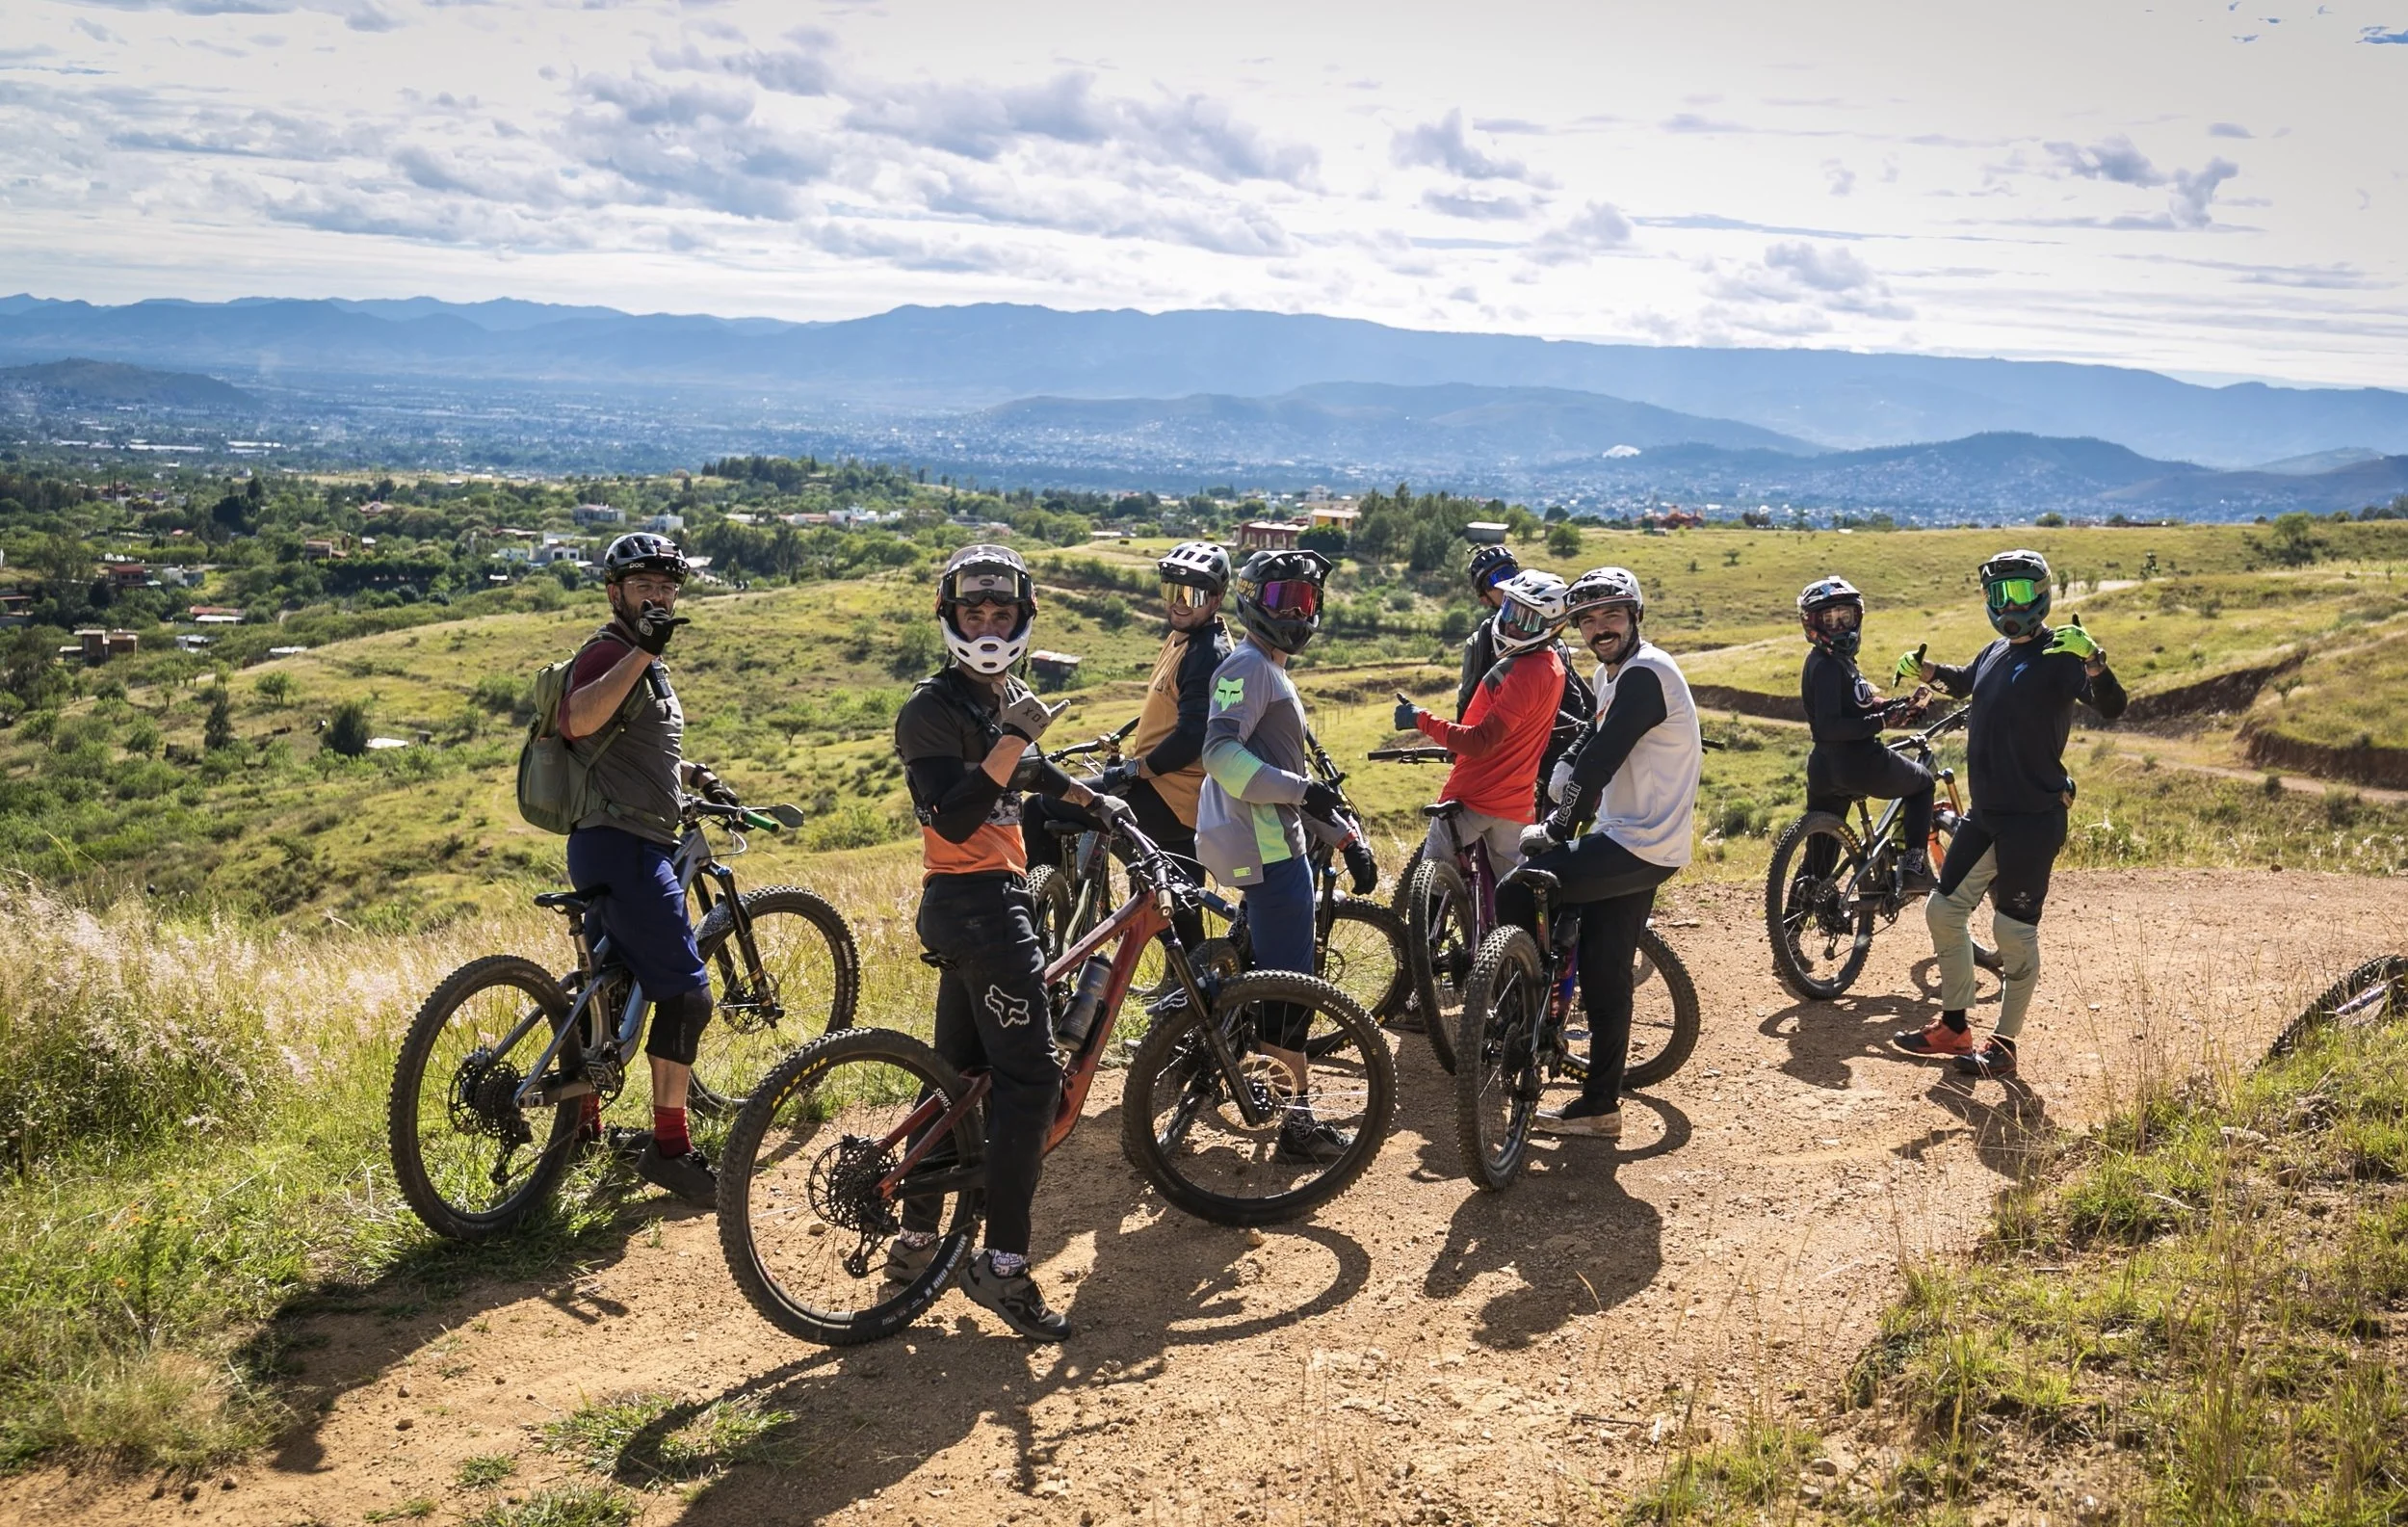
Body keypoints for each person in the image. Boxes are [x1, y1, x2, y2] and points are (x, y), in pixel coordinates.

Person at [889, 543, 1134, 1341]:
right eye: (974, 611)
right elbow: (955, 814)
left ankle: (917, 1241)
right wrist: (1012, 739)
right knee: (1031, 1086)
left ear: (1022, 620)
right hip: (977, 907)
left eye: (1001, 612)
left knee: (953, 1080)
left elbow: (1033, 774)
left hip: (982, 907)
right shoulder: (932, 708)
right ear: (950, 618)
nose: (987, 624)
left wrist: (1100, 804)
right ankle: (1002, 1267)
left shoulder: (1007, 702)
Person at [1892, 549, 2126, 1081]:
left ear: (2043, 595)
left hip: (2033, 819)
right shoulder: (1996, 650)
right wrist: (1926, 670)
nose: (2009, 604)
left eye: (2020, 592)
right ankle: (1954, 1028)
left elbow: (2112, 706)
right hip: (1986, 814)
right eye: (1999, 594)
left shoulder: (2062, 654)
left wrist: (2095, 664)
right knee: (1943, 911)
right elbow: (1967, 678)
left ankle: (2005, 1043)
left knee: (2011, 933)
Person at [555, 532, 727, 1205]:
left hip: (620, 838)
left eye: (667, 585)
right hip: (625, 845)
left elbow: (629, 741)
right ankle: (671, 1145)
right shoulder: (612, 651)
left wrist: (691, 773)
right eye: (643, 584)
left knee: (610, 982)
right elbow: (579, 719)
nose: (658, 594)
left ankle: (585, 1129)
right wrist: (645, 649)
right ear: (615, 592)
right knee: (687, 991)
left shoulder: (640, 660)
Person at [1512, 566, 1702, 1140]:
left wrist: (1556, 823)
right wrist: (1566, 762)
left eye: (1612, 615)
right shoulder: (1613, 674)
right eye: (1588, 620)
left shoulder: (1645, 674)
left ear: (1635, 616)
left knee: (1518, 886)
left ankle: (1513, 1011)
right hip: (1645, 841)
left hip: (1634, 841)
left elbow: (1602, 758)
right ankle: (1600, 1106)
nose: (1600, 628)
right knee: (1605, 969)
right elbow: (1589, 736)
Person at [1197, 546, 1358, 1164]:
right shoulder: (1249, 665)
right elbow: (1219, 754)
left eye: (1305, 599)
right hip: (1269, 849)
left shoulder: (1266, 665)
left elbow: (1286, 771)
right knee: (1291, 993)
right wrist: (1304, 794)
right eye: (1281, 599)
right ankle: (1295, 1123)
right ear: (1249, 600)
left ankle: (1247, 1072)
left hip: (1271, 840)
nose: (1295, 611)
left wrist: (1338, 831)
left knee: (1274, 978)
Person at [1022, 540, 1232, 961]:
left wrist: (1132, 771)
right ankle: (1204, 994)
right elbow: (1172, 708)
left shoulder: (1207, 653)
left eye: (1191, 595)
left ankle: (1035, 923)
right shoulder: (1187, 638)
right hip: (1182, 799)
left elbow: (1190, 740)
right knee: (1179, 899)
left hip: (1170, 796)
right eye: (1171, 591)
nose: (1179, 604)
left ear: (1217, 599)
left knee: (1041, 806)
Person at [1395, 567, 1574, 887]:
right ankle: (1514, 939)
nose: (1511, 624)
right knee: (1514, 892)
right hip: (1516, 802)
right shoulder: (1552, 666)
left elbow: (1480, 742)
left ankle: (1424, 939)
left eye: (1526, 619)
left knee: (1432, 879)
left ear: (1551, 626)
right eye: (1510, 611)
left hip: (1472, 797)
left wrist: (1420, 718)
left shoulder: (1524, 672)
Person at [1795, 576, 1939, 898]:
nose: (1838, 625)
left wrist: (1899, 705)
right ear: (1811, 624)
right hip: (1860, 763)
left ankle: (1788, 933)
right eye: (1828, 620)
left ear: (1857, 617)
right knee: (1923, 784)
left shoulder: (1833, 662)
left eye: (1845, 617)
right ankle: (1914, 866)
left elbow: (1860, 706)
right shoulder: (1828, 667)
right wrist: (1884, 720)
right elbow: (1830, 727)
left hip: (1823, 770)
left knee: (1817, 864)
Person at [1454, 542, 1522, 719]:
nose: (1506, 583)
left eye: (1509, 573)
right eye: (1494, 581)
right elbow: (1467, 701)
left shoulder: (1546, 622)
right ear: (1484, 599)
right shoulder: (1481, 642)